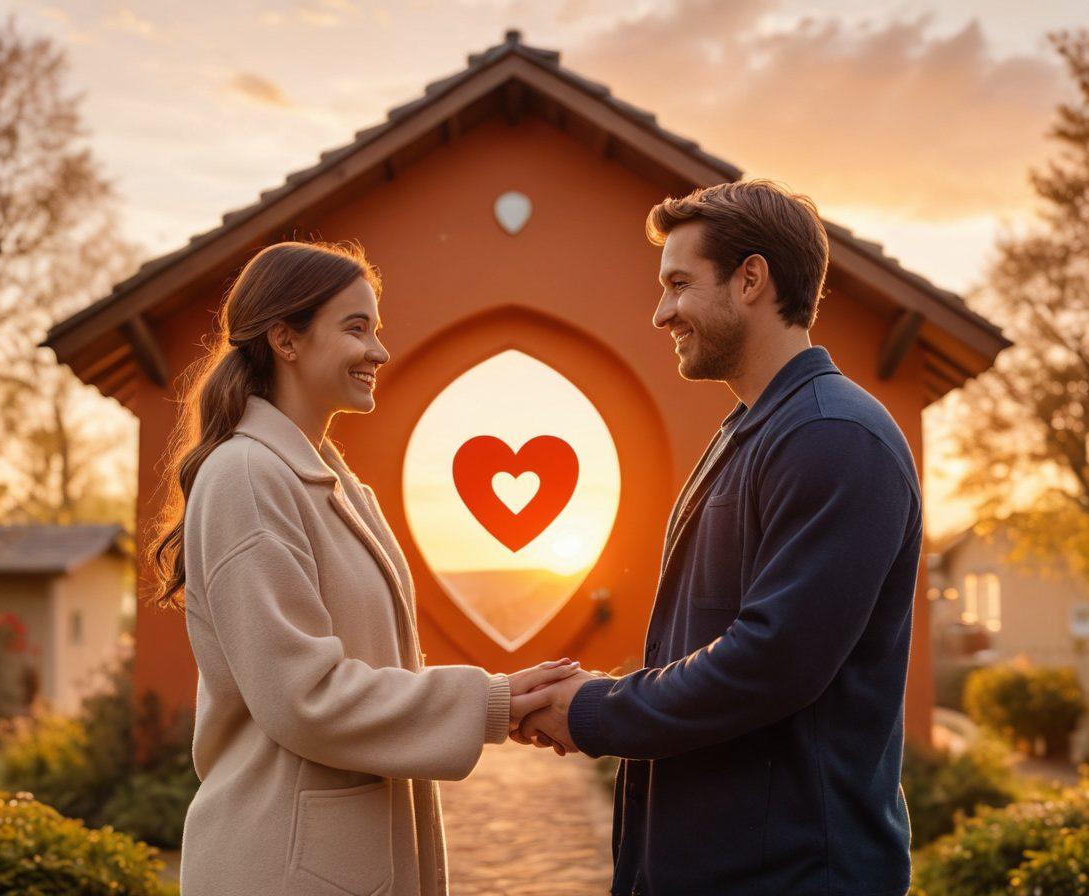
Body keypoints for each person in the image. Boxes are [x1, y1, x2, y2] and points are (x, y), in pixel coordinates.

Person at [518, 180, 923, 896]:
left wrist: (594, 710)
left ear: (751, 280)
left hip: (792, 877)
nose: (660, 312)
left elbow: (770, 663)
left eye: (678, 283)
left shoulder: (833, 437)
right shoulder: (753, 430)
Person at [149, 241, 581, 896]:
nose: (379, 351)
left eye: (376, 329)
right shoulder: (246, 475)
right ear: (286, 339)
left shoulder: (336, 485)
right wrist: (490, 702)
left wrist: (501, 697)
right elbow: (304, 695)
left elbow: (373, 673)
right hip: (283, 869)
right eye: (357, 329)